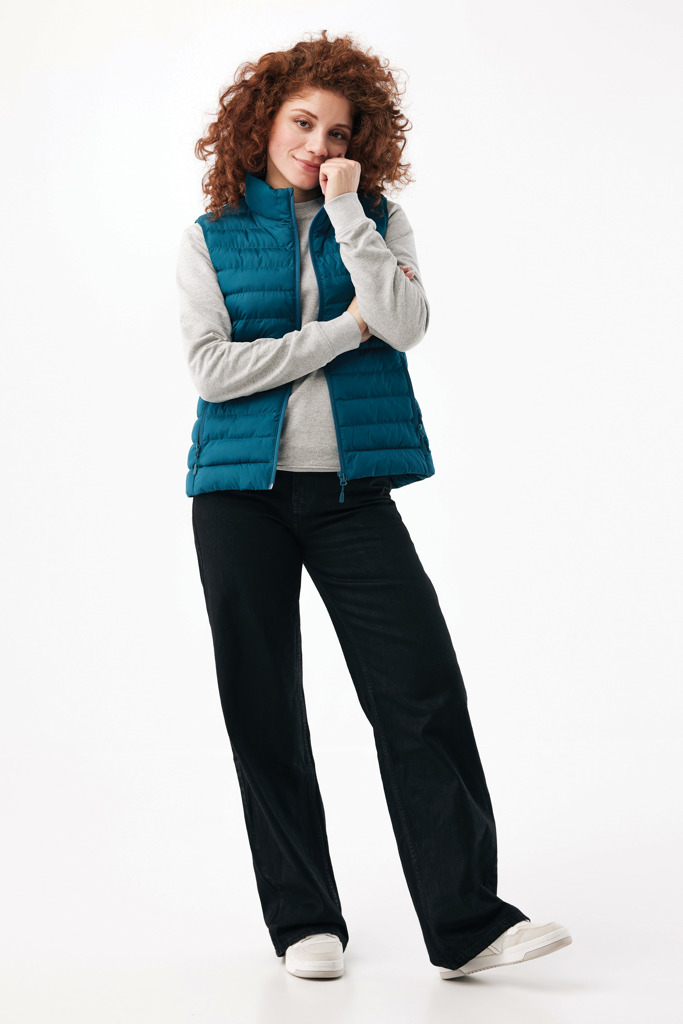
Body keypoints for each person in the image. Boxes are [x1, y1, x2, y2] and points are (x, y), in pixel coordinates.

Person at [176, 30, 571, 981]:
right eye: (301, 122)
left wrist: (350, 212)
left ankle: (466, 924)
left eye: (337, 132)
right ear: (263, 120)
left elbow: (403, 323)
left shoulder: (378, 219)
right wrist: (336, 333)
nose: (316, 144)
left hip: (351, 494)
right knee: (263, 707)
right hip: (237, 498)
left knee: (420, 688)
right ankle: (303, 922)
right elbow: (212, 371)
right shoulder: (208, 235)